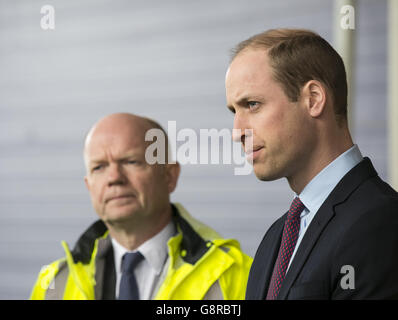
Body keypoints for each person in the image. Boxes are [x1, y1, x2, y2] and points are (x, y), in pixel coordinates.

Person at [225, 28, 398, 300]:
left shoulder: (381, 222)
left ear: (313, 99)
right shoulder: (277, 236)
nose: (237, 132)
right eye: (234, 111)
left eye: (253, 104)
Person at [30, 113, 252, 300]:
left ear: (169, 176)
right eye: (99, 167)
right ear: (89, 186)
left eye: (131, 161)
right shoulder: (53, 284)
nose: (114, 177)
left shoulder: (238, 275)